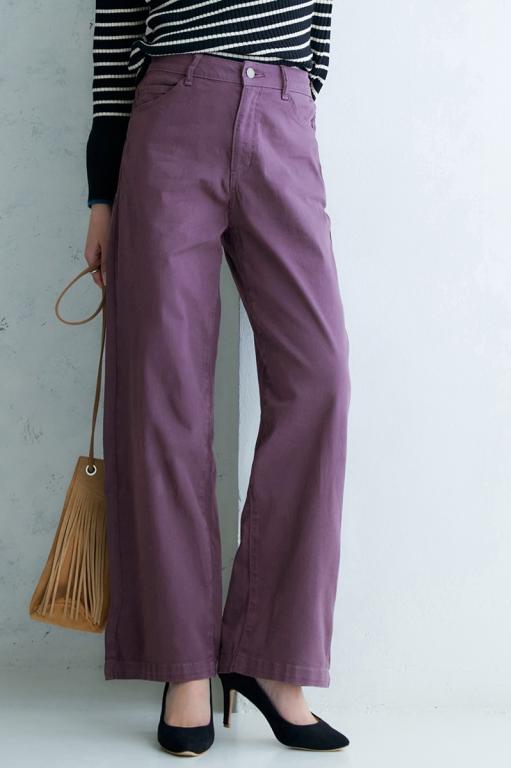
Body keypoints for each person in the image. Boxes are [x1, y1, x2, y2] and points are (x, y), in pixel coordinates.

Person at [82, 1, 351, 756]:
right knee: (163, 396)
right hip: (173, 109)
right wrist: (101, 196)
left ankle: (271, 658)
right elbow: (115, 36)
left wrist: (287, 101)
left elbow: (318, 28)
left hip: (284, 112)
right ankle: (183, 664)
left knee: (321, 378)